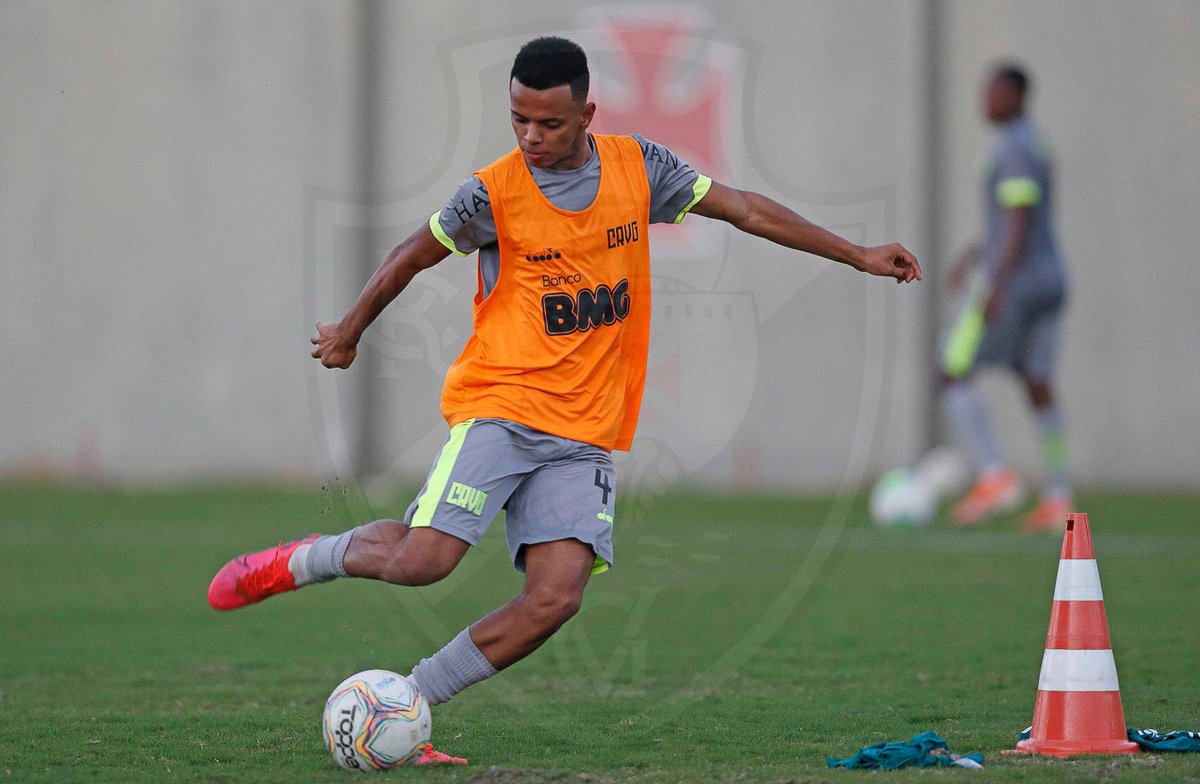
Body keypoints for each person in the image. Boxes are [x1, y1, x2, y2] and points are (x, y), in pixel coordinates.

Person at [207, 36, 921, 762]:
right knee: (425, 562)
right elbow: (407, 257)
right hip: (503, 406)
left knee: (555, 599)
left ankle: (410, 702)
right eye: (519, 120)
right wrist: (350, 330)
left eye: (548, 123)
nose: (531, 137)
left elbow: (745, 211)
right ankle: (301, 561)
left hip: (585, 432)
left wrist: (857, 254)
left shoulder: (639, 167)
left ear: (587, 115)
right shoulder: (491, 193)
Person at [941, 64, 1070, 531]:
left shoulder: (1013, 146)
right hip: (1051, 277)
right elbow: (1017, 220)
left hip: (1018, 280)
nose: (986, 101)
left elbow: (1018, 216)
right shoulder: (1034, 142)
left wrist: (995, 283)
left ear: (1016, 96)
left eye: (993, 93)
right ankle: (1058, 495)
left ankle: (995, 475)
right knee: (1037, 381)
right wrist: (976, 252)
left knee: (952, 369)